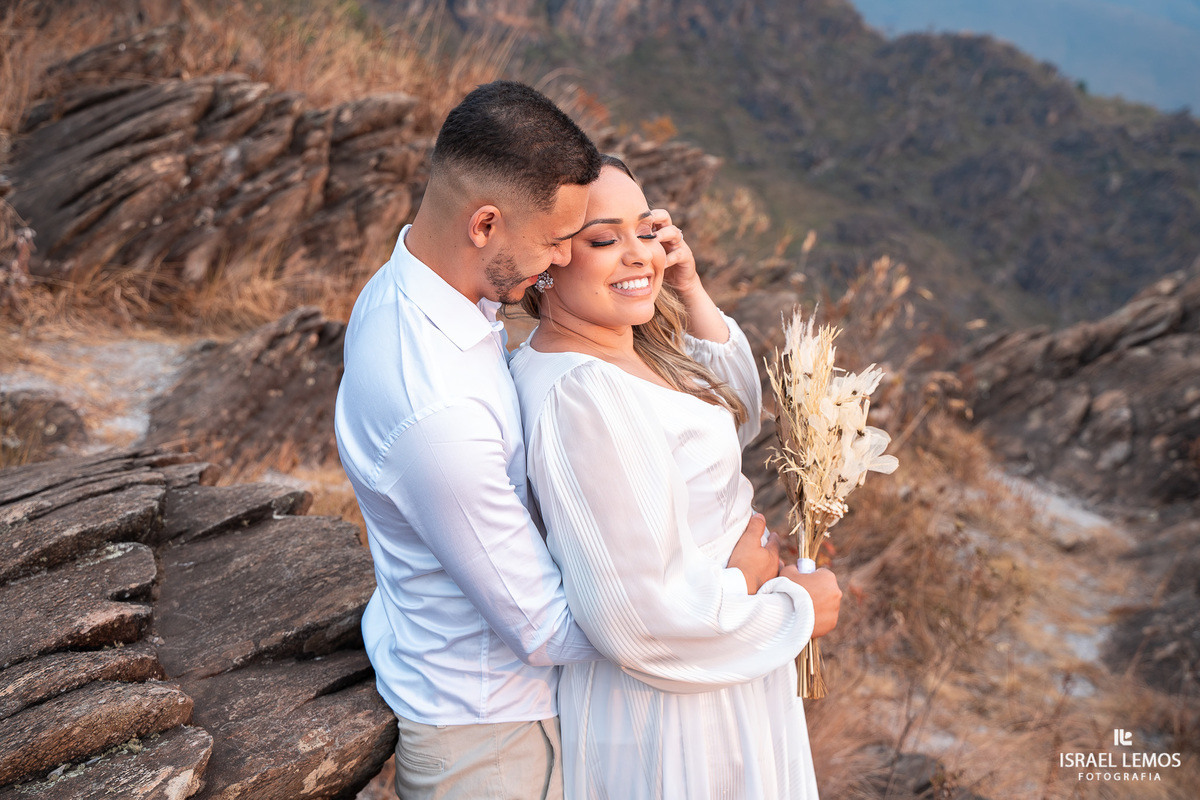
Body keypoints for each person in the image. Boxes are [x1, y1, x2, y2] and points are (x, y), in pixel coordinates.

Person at [334, 82, 781, 800]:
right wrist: (740, 584)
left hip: (496, 709)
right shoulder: (437, 409)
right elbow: (550, 628)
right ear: (484, 224)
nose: (555, 264)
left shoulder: (419, 287)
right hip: (495, 741)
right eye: (554, 241)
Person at [510, 156, 843, 799]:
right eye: (605, 239)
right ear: (548, 258)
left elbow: (733, 413)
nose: (639, 254)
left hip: (719, 661)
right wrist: (789, 606)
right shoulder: (586, 396)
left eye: (647, 231)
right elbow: (637, 617)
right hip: (679, 702)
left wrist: (685, 284)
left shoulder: (620, 349)